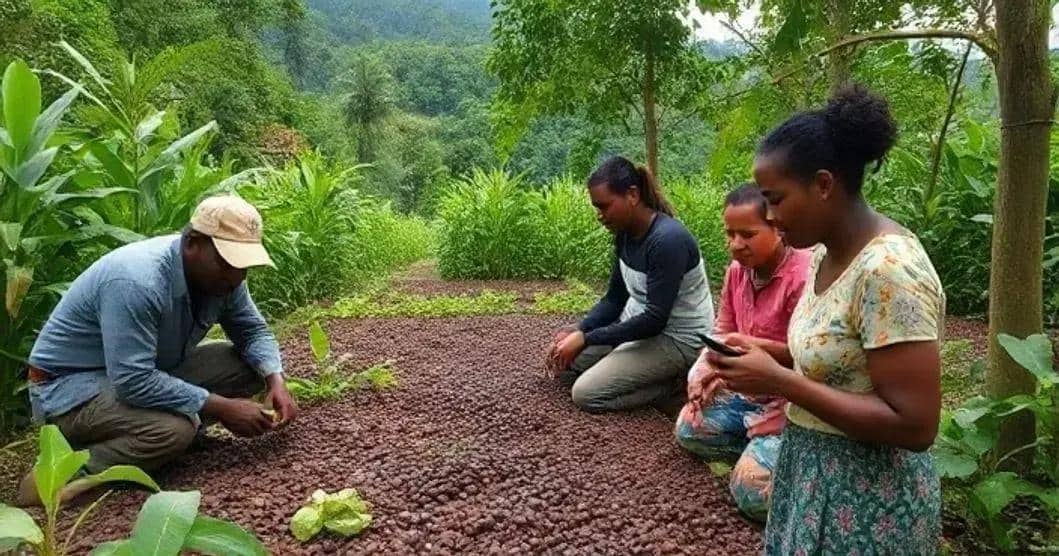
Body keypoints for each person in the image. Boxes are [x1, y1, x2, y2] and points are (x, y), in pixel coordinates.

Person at [706, 85, 945, 554]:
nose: (771, 217)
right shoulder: (823, 254)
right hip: (812, 475)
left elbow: (916, 425)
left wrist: (781, 381)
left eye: (775, 200)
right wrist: (768, 355)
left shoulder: (888, 270)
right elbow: (842, 358)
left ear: (822, 185)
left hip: (869, 501)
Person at [16, 195, 298, 507]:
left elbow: (252, 331)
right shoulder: (137, 280)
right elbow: (132, 380)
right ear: (192, 243)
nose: (236, 276)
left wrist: (276, 380)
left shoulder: (226, 280)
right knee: (172, 431)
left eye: (243, 264)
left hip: (139, 372)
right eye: (226, 261)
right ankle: (60, 477)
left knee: (249, 365)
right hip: (70, 391)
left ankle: (161, 433)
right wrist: (222, 407)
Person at [673, 183, 810, 522]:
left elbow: (808, 356)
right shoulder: (737, 271)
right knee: (689, 429)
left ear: (778, 229)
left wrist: (753, 348)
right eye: (730, 234)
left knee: (751, 491)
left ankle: (786, 470)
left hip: (793, 400)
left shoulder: (803, 277)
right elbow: (723, 330)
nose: (736, 244)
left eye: (747, 234)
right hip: (749, 392)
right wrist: (705, 372)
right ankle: (761, 456)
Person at [546, 156, 714, 414]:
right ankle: (637, 371)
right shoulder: (624, 234)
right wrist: (579, 329)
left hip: (678, 339)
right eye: (596, 208)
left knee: (586, 393)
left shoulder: (667, 241)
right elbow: (614, 298)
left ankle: (671, 386)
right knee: (570, 359)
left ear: (632, 195)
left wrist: (587, 337)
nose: (600, 216)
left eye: (604, 206)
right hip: (642, 327)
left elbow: (655, 320)